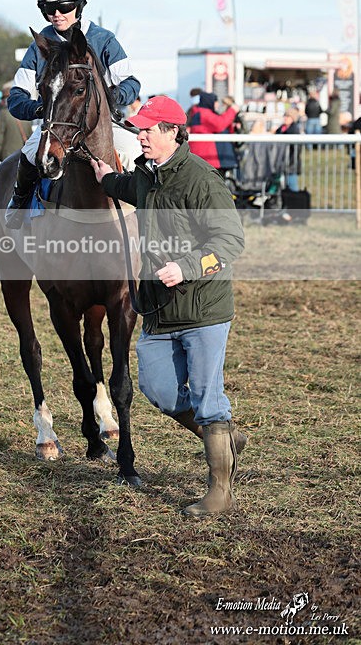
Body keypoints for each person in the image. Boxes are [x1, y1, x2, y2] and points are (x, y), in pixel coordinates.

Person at [90, 95, 246, 517]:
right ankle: (224, 438)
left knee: (206, 397)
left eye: (148, 130)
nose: (140, 136)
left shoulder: (201, 180)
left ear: (172, 132)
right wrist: (105, 177)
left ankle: (219, 493)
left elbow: (231, 241)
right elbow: (126, 188)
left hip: (204, 311)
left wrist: (189, 265)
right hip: (158, 310)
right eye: (138, 129)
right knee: (156, 388)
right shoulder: (146, 175)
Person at [5, 0, 142, 227]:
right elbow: (16, 97)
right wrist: (41, 110)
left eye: (65, 5)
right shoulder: (40, 45)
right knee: (29, 152)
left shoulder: (104, 39)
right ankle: (19, 204)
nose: (57, 14)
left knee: (134, 150)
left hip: (102, 125)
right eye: (48, 8)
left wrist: (108, 100)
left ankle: (147, 216)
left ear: (79, 5)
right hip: (56, 126)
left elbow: (131, 83)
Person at [187, 91, 239, 176]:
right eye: (216, 102)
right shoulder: (205, 114)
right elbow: (220, 124)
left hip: (201, 155)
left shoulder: (198, 112)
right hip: (206, 156)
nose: (217, 104)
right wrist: (232, 110)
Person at [0, 81, 32, 168]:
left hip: (7, 158)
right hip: (24, 158)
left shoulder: (3, 114)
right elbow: (30, 136)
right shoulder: (25, 112)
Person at [274, 105, 301, 191]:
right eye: (285, 116)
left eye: (288, 116)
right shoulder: (281, 129)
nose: (285, 118)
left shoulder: (294, 130)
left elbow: (297, 149)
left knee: (292, 186)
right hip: (281, 163)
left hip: (291, 164)